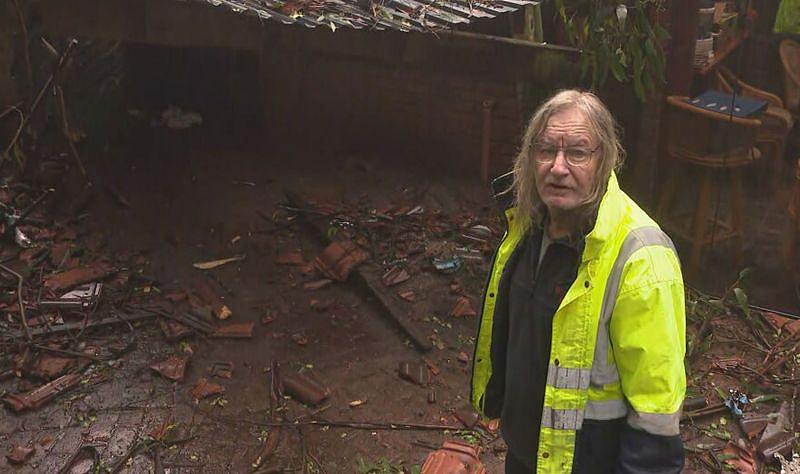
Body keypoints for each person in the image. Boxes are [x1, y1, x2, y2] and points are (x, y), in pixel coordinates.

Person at [470, 89, 686, 473]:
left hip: (589, 460)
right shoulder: (528, 228)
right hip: (525, 451)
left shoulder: (641, 257)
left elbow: (656, 408)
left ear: (605, 161)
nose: (557, 166)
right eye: (546, 149)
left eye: (578, 152)